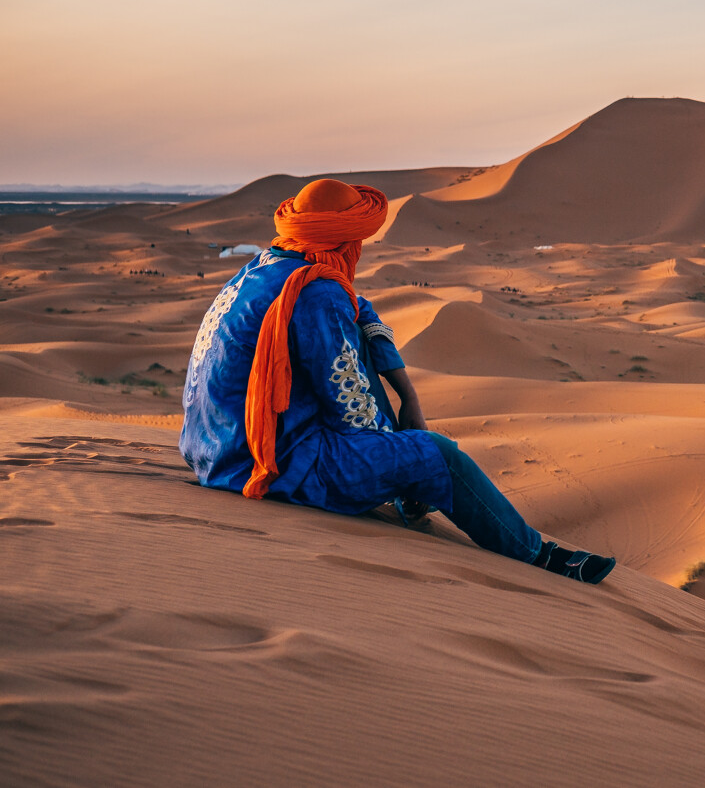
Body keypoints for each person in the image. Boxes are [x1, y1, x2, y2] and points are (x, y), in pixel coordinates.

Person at [179, 179, 614, 584]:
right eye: (358, 241)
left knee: (371, 366)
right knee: (439, 456)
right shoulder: (318, 293)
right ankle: (540, 555)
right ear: (346, 241)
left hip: (211, 447)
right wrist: (408, 454)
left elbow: (358, 308)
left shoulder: (268, 269)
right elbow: (354, 411)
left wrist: (405, 391)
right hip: (268, 464)